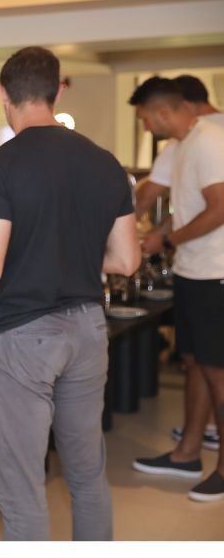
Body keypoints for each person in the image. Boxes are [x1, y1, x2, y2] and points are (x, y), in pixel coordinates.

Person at [0, 46, 140, 540]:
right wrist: (65, 254)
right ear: (58, 92)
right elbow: (126, 261)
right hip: (88, 329)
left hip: (25, 333)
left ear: (3, 94)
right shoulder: (106, 164)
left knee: (20, 485)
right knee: (87, 473)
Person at [129, 76, 224, 502]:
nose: (146, 127)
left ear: (164, 111)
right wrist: (160, 234)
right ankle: (187, 453)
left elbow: (220, 207)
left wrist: (167, 240)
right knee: (194, 363)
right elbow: (189, 209)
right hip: (192, 270)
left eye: (146, 119)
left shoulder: (209, 142)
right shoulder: (182, 146)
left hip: (216, 273)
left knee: (217, 371)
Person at [134, 75, 224, 218]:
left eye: (146, 120)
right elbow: (192, 207)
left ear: (185, 105)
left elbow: (147, 196)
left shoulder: (203, 137)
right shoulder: (190, 137)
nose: (146, 128)